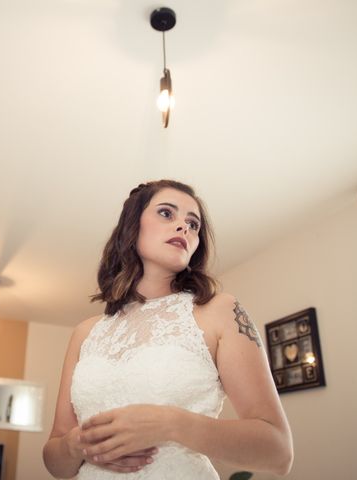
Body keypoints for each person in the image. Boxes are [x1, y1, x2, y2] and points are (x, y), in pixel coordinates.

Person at [43, 180, 293, 479]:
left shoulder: (220, 312)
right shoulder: (85, 332)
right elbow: (55, 459)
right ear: (132, 226)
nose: (183, 227)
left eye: (193, 223)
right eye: (166, 213)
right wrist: (75, 447)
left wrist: (170, 424)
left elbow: (278, 452)